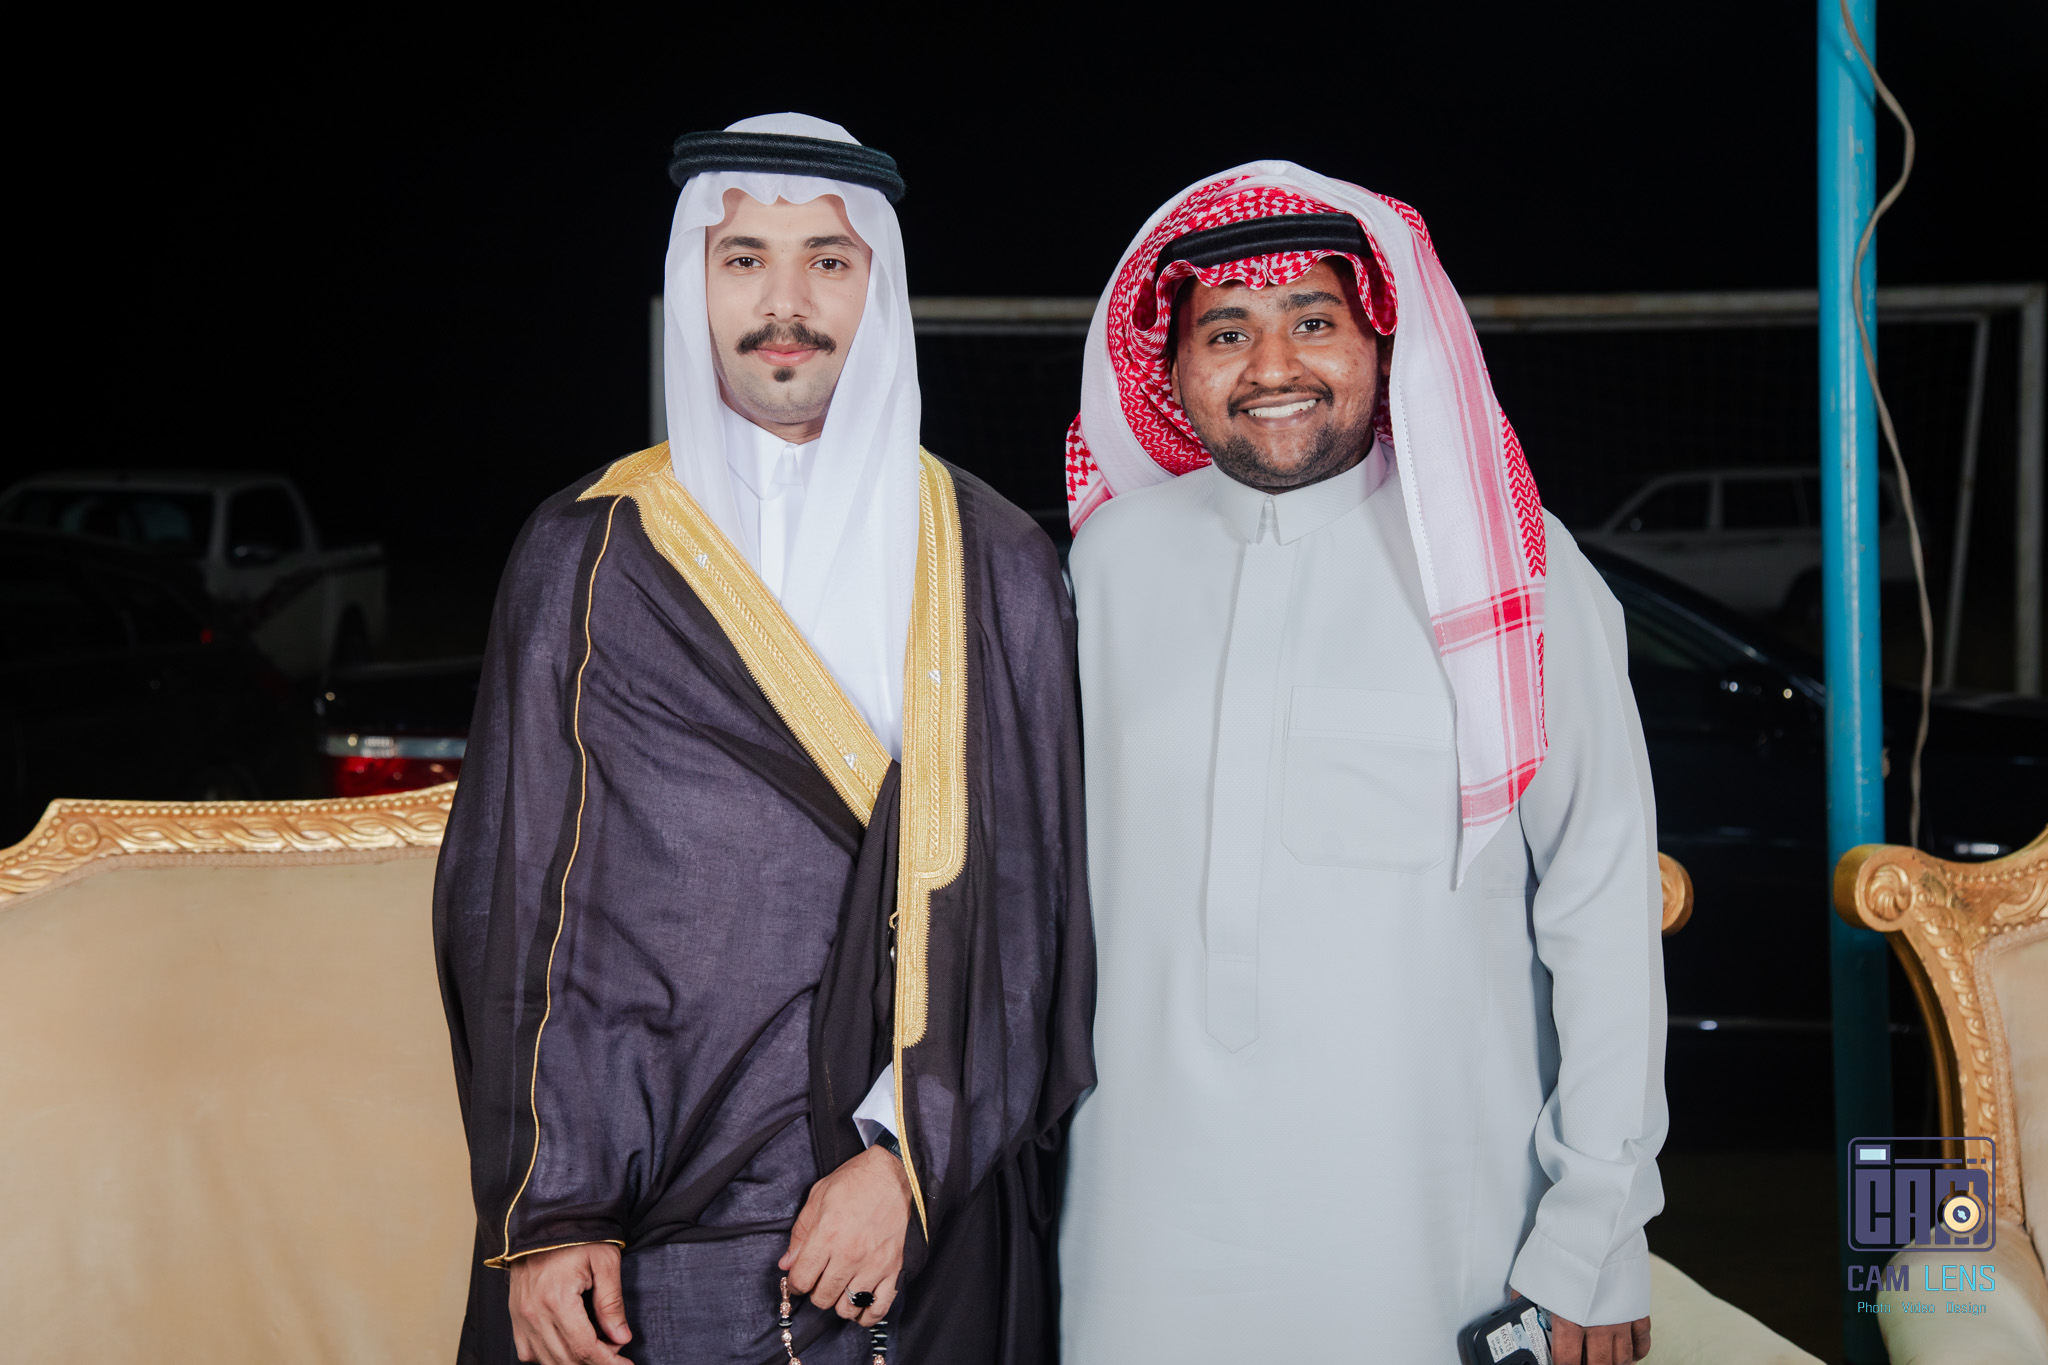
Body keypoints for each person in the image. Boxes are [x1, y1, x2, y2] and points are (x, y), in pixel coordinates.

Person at [433, 113, 1094, 1365]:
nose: (784, 303)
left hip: (907, 1220)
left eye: (827, 261)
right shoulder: (586, 550)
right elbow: (518, 905)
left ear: (877, 286)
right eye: (743, 259)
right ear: (693, 280)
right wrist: (552, 1209)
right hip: (633, 1235)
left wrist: (904, 1157)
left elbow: (1028, 908)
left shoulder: (996, 559)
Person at [1058, 164, 1666, 1364]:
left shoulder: (1508, 559)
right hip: (1139, 1210)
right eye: (1225, 332)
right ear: (1169, 368)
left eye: (1313, 322)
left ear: (1383, 344)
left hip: (1432, 1212)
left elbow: (1599, 902)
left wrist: (1596, 1230)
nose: (1270, 366)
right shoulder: (1106, 566)